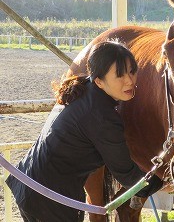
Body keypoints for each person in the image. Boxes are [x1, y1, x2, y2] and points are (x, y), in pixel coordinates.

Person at [6, 40, 163, 222]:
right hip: (50, 200)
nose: (129, 80)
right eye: (119, 75)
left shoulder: (85, 89)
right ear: (99, 81)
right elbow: (129, 177)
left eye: (132, 71)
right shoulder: (102, 117)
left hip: (32, 185)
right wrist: (166, 179)